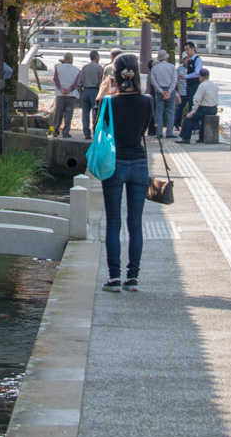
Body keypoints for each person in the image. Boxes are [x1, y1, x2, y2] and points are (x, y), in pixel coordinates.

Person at [98, 53, 154, 293]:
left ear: (115, 74)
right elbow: (145, 129)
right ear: (136, 72)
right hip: (139, 163)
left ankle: (114, 277)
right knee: (135, 223)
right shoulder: (148, 100)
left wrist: (106, 90)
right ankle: (133, 277)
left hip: (114, 163)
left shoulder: (109, 102)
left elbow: (100, 124)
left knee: (113, 222)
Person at [178, 67, 219, 143]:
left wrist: (192, 111)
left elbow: (197, 99)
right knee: (203, 120)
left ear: (200, 77)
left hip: (205, 108)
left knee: (188, 120)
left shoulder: (202, 86)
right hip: (214, 108)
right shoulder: (214, 85)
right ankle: (202, 138)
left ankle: (185, 138)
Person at [149, 48, 179, 137]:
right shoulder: (172, 67)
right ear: (166, 58)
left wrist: (161, 91)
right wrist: (169, 91)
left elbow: (153, 81)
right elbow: (174, 80)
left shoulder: (154, 68)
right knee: (170, 111)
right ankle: (169, 132)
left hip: (160, 91)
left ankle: (159, 132)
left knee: (159, 111)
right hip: (171, 90)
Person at [51, 51, 79, 137]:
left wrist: (61, 88)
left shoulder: (58, 68)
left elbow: (55, 79)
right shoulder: (77, 70)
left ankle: (55, 130)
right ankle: (65, 132)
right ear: (72, 60)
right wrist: (69, 89)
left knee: (57, 114)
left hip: (60, 94)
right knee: (68, 114)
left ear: (64, 59)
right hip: (71, 95)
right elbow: (76, 83)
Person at [76, 49, 103, 139]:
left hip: (85, 91)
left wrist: (80, 92)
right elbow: (100, 82)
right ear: (96, 58)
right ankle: (95, 130)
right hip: (95, 91)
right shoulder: (100, 68)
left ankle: (86, 132)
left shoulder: (85, 67)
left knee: (85, 113)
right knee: (95, 112)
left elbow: (79, 82)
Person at [178, 42, 203, 124]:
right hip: (189, 85)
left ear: (193, 49)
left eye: (188, 50)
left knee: (193, 104)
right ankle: (191, 125)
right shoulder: (190, 61)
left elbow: (197, 73)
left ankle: (195, 125)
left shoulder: (197, 60)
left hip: (194, 85)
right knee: (190, 104)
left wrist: (187, 76)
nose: (187, 52)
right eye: (186, 50)